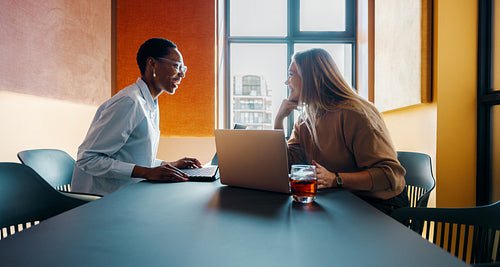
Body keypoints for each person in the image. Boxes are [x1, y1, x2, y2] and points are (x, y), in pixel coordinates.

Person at [275, 48, 409, 214]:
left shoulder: (355, 114)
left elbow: (390, 175)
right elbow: (285, 164)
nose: (287, 81)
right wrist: (279, 120)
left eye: (291, 74)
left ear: (309, 77)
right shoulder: (305, 120)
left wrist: (336, 179)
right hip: (339, 200)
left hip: (379, 205)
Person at [71, 38, 202, 196]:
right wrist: (147, 172)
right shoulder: (129, 101)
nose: (181, 74)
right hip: (99, 198)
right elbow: (88, 158)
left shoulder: (150, 102)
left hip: (125, 193)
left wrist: (169, 164)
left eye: (183, 68)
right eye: (176, 66)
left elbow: (133, 157)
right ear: (152, 64)